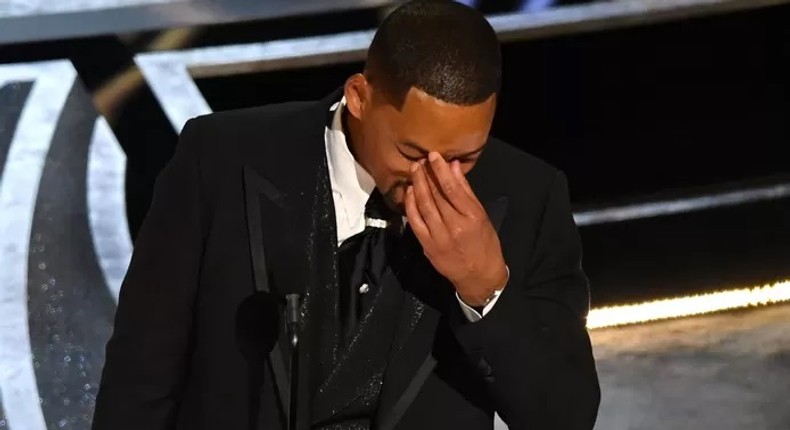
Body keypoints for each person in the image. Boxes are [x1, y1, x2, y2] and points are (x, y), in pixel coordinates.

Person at [91, 1, 600, 429]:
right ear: (359, 97)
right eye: (412, 153)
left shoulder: (528, 195)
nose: (439, 178)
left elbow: (564, 416)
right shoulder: (221, 159)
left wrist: (487, 289)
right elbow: (141, 374)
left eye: (467, 157)